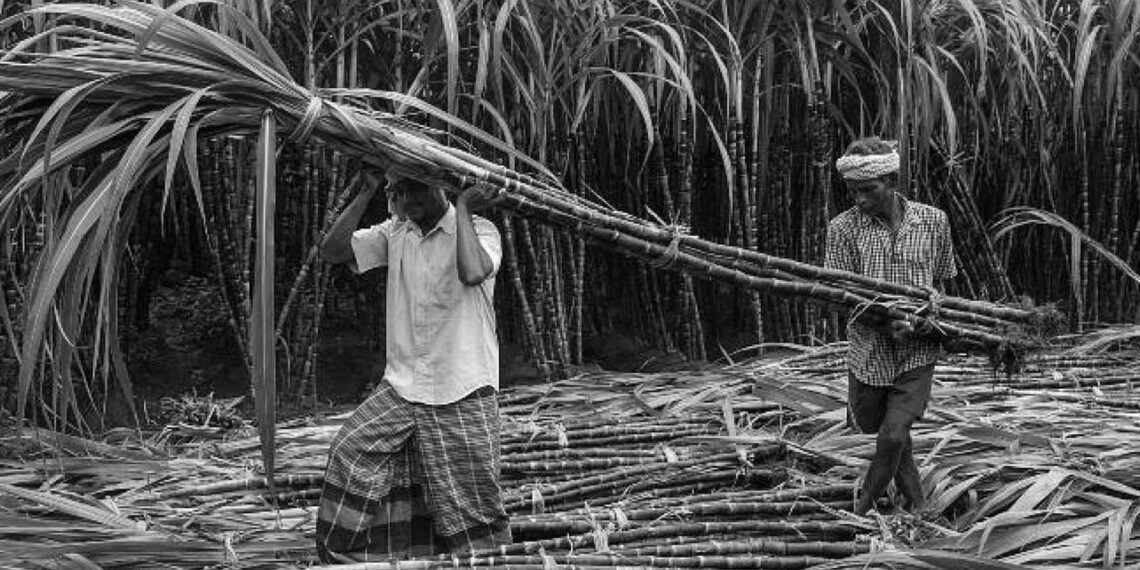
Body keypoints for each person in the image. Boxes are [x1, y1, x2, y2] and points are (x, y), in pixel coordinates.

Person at [314, 173, 510, 562]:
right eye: (398, 192)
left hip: (462, 385)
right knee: (350, 452)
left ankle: (484, 561)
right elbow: (332, 251)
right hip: (403, 386)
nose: (407, 199)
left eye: (416, 187)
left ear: (441, 186)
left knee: (471, 501)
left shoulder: (480, 230)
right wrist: (367, 187)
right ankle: (358, 558)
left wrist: (466, 207)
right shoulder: (396, 233)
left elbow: (473, 273)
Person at [823, 137, 957, 516]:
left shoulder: (934, 221)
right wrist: (887, 323)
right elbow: (843, 296)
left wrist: (924, 320)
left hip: (918, 350)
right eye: (852, 191)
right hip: (868, 352)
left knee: (894, 433)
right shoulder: (843, 229)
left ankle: (861, 509)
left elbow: (942, 285)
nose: (860, 200)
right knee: (887, 437)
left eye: (869, 190)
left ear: (893, 180)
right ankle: (919, 506)